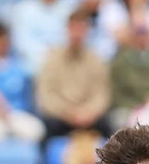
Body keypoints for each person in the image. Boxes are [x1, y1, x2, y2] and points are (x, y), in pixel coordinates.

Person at [35, 9, 110, 138]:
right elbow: (46, 96)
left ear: (87, 31)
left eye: (80, 29)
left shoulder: (97, 61)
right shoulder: (52, 59)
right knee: (46, 129)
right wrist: (68, 112)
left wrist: (88, 112)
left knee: (109, 127)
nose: (77, 34)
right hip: (61, 117)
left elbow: (102, 96)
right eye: (73, 29)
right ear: (67, 30)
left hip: (89, 117)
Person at [9, 0, 69, 68]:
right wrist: (45, 54)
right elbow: (21, 42)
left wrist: (58, 54)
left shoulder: (72, 8)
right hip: (32, 64)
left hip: (66, 62)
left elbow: (76, 37)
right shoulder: (23, 9)